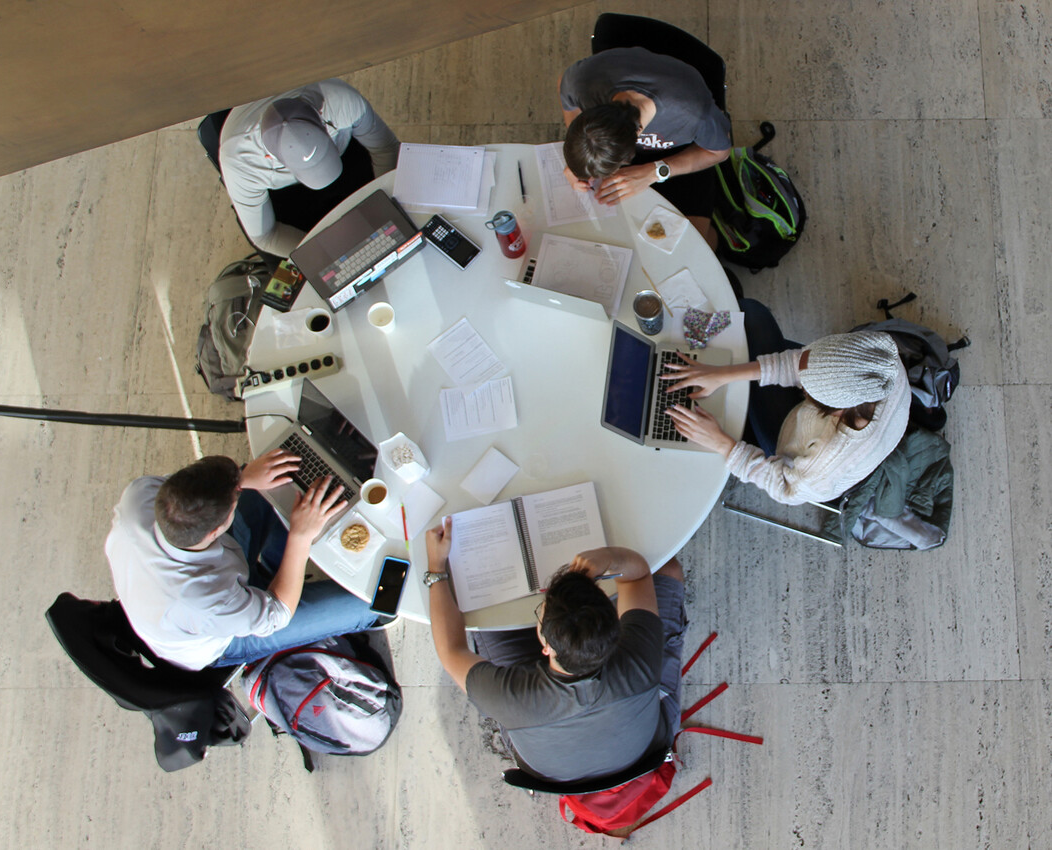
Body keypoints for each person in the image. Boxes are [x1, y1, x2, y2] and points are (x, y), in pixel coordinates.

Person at [426, 519, 686, 784]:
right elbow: (638, 574)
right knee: (667, 569)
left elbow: (450, 649)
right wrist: (609, 557)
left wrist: (436, 567)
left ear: (545, 645)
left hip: (550, 754)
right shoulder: (638, 656)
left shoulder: (509, 698)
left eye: (540, 612)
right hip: (642, 748)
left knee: (482, 613)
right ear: (618, 625)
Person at [105, 450, 379, 670]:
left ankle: (279, 559)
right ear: (216, 531)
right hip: (224, 634)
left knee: (276, 476)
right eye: (236, 498)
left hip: (205, 587)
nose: (239, 492)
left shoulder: (140, 495)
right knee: (374, 603)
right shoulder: (208, 602)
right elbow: (278, 614)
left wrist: (244, 477)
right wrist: (300, 535)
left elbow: (212, 490)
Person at [661, 299, 911, 506]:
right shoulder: (882, 358)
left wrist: (724, 445)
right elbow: (798, 363)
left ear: (834, 412)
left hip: (794, 454)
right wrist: (722, 374)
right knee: (753, 312)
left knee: (717, 425)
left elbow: (784, 488)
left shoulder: (822, 468)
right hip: (816, 423)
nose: (798, 382)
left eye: (806, 388)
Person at [558, 46, 732, 248]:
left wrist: (653, 172)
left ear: (627, 158)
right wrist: (584, 157)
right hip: (629, 145)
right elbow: (564, 85)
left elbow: (720, 152)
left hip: (682, 155)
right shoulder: (583, 82)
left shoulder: (691, 112)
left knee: (696, 243)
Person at [219, 79, 401, 258]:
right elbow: (265, 236)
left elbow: (385, 149)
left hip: (347, 159)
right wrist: (326, 256)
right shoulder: (238, 161)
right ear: (269, 157)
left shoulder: (339, 99)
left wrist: (387, 207)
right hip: (288, 196)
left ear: (321, 118)